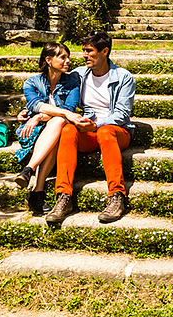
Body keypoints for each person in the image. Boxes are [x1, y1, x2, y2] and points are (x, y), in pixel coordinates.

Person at [45, 30, 137, 225]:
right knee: (68, 130)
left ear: (105, 51)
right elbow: (53, 91)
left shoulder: (124, 77)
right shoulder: (79, 74)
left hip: (117, 132)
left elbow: (121, 114)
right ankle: (63, 196)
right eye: (84, 50)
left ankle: (117, 196)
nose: (84, 55)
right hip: (89, 132)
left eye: (90, 51)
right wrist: (32, 112)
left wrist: (96, 125)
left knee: (105, 130)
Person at [12, 41, 81, 216]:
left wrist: (40, 115)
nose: (67, 61)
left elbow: (70, 110)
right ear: (49, 60)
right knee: (58, 123)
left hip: (53, 127)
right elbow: (35, 104)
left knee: (58, 123)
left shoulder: (72, 81)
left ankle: (29, 171)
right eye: (62, 57)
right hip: (33, 130)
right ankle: (36, 192)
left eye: (68, 57)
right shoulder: (32, 83)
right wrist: (38, 115)